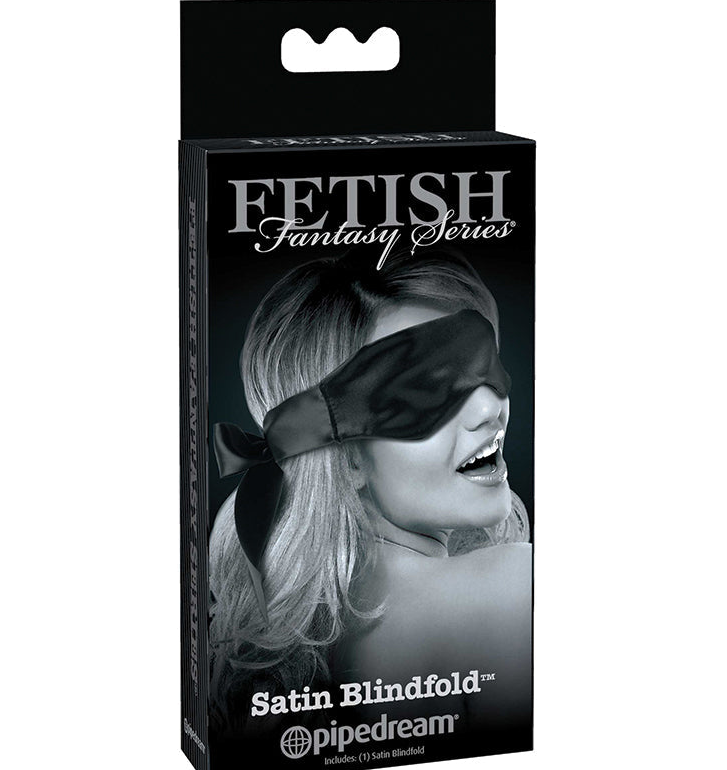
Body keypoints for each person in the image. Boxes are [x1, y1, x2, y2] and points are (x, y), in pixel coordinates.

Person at [208, 248, 531, 732]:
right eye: (427, 389)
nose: (491, 408)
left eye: (484, 364)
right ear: (348, 458)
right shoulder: (510, 588)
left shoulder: (299, 655)